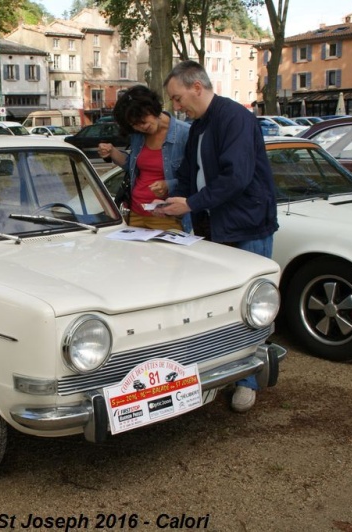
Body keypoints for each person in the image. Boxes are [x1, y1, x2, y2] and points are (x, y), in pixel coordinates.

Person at [160, 60, 279, 413]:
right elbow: (189, 172)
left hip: (247, 225)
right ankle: (217, 368)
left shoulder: (234, 118)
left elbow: (237, 176)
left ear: (197, 87)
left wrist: (192, 203)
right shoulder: (199, 126)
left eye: (178, 98)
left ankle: (248, 381)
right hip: (215, 225)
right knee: (215, 306)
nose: (176, 107)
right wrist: (173, 199)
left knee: (249, 305)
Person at [96, 85, 191, 232]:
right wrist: (112, 152)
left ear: (152, 108)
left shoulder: (185, 134)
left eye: (142, 120)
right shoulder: (137, 136)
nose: (141, 127)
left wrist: (168, 185)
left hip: (167, 216)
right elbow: (132, 166)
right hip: (135, 213)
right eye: (134, 125)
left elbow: (195, 179)